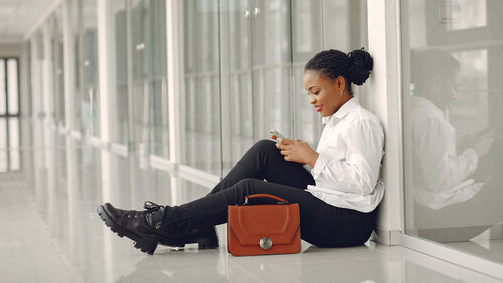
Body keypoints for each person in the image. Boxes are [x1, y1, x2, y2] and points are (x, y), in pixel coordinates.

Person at [97, 48, 385, 254]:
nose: (311, 100)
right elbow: (334, 176)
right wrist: (303, 156)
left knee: (250, 189)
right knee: (265, 150)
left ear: (339, 84)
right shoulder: (337, 122)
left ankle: (161, 221)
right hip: (330, 201)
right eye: (308, 93)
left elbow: (362, 183)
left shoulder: (362, 123)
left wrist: (311, 157)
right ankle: (196, 226)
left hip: (348, 223)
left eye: (316, 91)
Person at [410, 48, 500, 242]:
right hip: (438, 220)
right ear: (437, 82)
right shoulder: (432, 120)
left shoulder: (412, 109)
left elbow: (426, 159)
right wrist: (475, 152)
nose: (456, 97)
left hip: (420, 210)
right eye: (456, 88)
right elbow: (439, 181)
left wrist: (462, 145)